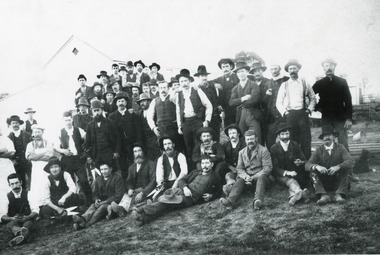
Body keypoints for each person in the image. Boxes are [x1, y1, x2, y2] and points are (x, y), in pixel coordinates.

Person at [132, 155, 222, 226]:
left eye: (207, 163)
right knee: (168, 205)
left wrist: (211, 196)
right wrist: (185, 187)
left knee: (167, 200)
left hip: (190, 198)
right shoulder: (195, 172)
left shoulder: (215, 177)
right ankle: (143, 219)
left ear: (212, 164)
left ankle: (142, 210)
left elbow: (219, 191)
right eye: (203, 163)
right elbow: (182, 180)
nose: (204, 166)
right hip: (182, 191)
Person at [220, 130, 272, 210]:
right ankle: (230, 202)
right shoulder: (241, 152)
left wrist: (254, 177)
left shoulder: (263, 151)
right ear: (245, 140)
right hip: (247, 179)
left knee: (262, 178)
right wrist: (246, 177)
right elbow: (239, 169)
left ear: (256, 139)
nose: (250, 141)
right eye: (248, 139)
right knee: (240, 180)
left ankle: (257, 201)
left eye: (252, 139)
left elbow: (267, 168)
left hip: (261, 178)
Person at [276, 59, 316, 159]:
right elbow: (278, 102)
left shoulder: (304, 82)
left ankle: (307, 164)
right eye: (290, 69)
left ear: (298, 69)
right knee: (292, 140)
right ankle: (294, 163)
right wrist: (285, 113)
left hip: (303, 113)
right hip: (290, 115)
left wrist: (309, 109)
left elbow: (313, 97)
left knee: (306, 140)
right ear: (288, 71)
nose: (292, 70)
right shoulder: (284, 85)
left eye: (294, 68)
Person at [305, 125, 354, 205]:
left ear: (334, 137)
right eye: (324, 136)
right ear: (322, 139)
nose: (326, 138)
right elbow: (307, 164)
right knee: (312, 171)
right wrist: (317, 166)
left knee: (348, 169)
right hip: (324, 181)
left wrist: (338, 167)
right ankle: (323, 195)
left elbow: (351, 161)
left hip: (338, 180)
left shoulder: (340, 147)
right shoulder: (318, 150)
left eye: (329, 135)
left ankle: (339, 195)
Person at [313, 59, 353, 152]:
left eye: (331, 66)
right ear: (323, 68)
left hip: (340, 116)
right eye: (326, 66)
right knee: (327, 139)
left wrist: (348, 118)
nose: (328, 68)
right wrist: (316, 107)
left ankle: (345, 160)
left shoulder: (342, 81)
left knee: (342, 139)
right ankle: (329, 158)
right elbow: (310, 95)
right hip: (326, 116)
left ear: (334, 67)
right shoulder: (320, 83)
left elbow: (348, 100)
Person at [108, 144, 156, 218]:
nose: (137, 154)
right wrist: (129, 188)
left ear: (143, 152)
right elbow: (128, 181)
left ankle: (127, 210)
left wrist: (143, 192)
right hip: (135, 191)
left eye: (139, 151)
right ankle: (121, 209)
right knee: (126, 196)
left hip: (146, 191)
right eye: (135, 152)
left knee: (138, 200)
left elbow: (153, 181)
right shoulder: (132, 167)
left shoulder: (150, 164)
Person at [72, 162, 124, 230]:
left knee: (102, 207)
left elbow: (119, 195)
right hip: (101, 202)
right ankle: (83, 218)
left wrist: (105, 201)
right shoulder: (98, 179)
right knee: (93, 206)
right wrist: (96, 199)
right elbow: (95, 193)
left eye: (105, 169)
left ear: (110, 169)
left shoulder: (117, 178)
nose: (103, 171)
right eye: (101, 169)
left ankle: (87, 224)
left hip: (113, 202)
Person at [54, 111, 92, 204]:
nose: (68, 122)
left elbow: (87, 140)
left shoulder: (79, 130)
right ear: (63, 121)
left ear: (72, 120)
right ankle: (73, 203)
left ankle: (89, 202)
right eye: (66, 120)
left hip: (78, 159)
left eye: (69, 120)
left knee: (83, 181)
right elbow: (55, 147)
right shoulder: (60, 132)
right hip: (67, 161)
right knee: (70, 182)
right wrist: (64, 151)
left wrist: (83, 151)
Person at [176, 69, 213, 159]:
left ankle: (201, 166)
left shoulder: (197, 90)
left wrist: (207, 120)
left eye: (185, 81)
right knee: (189, 147)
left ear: (189, 81)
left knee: (199, 145)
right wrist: (179, 125)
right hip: (186, 123)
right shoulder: (179, 94)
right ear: (179, 83)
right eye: (181, 81)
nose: (184, 83)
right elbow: (178, 110)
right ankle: (192, 169)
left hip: (197, 121)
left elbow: (208, 105)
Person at [270, 123, 310, 206]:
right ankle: (301, 193)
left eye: (287, 134)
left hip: (295, 173)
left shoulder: (295, 145)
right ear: (278, 135)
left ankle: (295, 195)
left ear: (290, 134)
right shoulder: (274, 148)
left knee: (300, 178)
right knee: (291, 181)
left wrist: (300, 162)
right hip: (281, 175)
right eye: (282, 134)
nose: (285, 137)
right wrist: (287, 173)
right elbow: (275, 168)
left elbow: (304, 160)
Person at [108, 92, 142, 178]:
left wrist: (138, 144)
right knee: (123, 168)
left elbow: (138, 131)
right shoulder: (111, 117)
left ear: (126, 103)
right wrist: (115, 149)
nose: (121, 103)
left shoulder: (132, 115)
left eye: (123, 101)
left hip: (132, 145)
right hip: (120, 147)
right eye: (119, 101)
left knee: (135, 165)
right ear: (116, 103)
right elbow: (110, 134)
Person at [1, 174, 38, 247]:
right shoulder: (6, 197)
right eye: (12, 184)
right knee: (12, 225)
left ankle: (21, 236)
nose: (15, 186)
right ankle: (21, 234)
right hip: (13, 220)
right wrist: (12, 218)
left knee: (28, 224)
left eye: (17, 183)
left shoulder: (29, 194)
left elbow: (36, 210)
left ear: (21, 182)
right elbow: (2, 216)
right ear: (9, 185)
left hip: (27, 218)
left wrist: (27, 217)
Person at [229, 62, 262, 143]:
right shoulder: (235, 88)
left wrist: (239, 103)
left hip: (253, 114)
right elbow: (231, 102)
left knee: (256, 137)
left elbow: (255, 100)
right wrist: (243, 98)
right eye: (239, 72)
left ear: (247, 72)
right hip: (241, 115)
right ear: (236, 74)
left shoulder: (253, 85)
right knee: (242, 139)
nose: (241, 74)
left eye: (242, 71)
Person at [84, 100, 121, 170]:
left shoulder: (109, 122)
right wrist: (88, 156)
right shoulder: (90, 125)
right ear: (92, 112)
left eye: (98, 110)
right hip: (96, 155)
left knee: (112, 172)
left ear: (101, 110)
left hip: (109, 153)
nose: (96, 113)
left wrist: (116, 151)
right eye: (94, 111)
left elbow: (117, 138)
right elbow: (87, 143)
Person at [25, 125, 56, 208]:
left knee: (47, 184)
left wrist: (35, 156)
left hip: (46, 168)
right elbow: (29, 157)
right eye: (35, 132)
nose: (37, 134)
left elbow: (49, 157)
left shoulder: (48, 142)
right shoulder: (30, 145)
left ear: (42, 132)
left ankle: (50, 205)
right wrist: (43, 153)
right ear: (33, 133)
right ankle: (38, 206)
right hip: (36, 170)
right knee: (37, 187)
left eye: (39, 132)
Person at [147, 82, 180, 149]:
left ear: (168, 89)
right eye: (161, 88)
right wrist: (153, 128)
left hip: (172, 128)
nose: (163, 90)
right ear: (158, 89)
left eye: (164, 87)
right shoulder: (154, 101)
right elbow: (149, 116)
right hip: (160, 129)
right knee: (162, 148)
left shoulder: (173, 98)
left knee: (175, 147)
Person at [195, 65, 223, 142]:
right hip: (205, 118)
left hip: (215, 117)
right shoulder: (197, 89)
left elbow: (217, 100)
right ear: (198, 77)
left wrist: (218, 106)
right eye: (202, 76)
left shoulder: (213, 87)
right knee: (206, 139)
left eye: (205, 76)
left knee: (216, 138)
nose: (204, 78)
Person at [248, 62, 274, 145]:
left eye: (259, 71)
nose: (257, 73)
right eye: (254, 72)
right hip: (255, 115)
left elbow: (270, 99)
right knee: (258, 138)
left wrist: (266, 96)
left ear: (262, 71)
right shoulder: (250, 84)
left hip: (267, 115)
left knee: (269, 139)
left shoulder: (269, 82)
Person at [265, 64, 289, 149]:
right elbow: (264, 101)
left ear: (279, 69)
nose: (274, 71)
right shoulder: (268, 83)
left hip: (284, 114)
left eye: (275, 69)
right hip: (272, 115)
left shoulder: (287, 80)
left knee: (287, 136)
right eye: (272, 69)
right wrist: (267, 95)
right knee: (270, 139)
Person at [7, 115, 33, 189]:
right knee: (20, 181)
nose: (15, 125)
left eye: (16, 123)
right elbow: (8, 151)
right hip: (17, 162)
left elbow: (32, 146)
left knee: (32, 178)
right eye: (13, 123)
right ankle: (23, 196)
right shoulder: (9, 137)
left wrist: (30, 158)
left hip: (28, 161)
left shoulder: (27, 135)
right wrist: (13, 160)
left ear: (19, 124)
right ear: (11, 125)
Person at [212, 58, 240, 126]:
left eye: (227, 66)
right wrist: (215, 84)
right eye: (223, 67)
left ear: (231, 67)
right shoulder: (220, 79)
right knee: (229, 128)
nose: (225, 69)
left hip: (238, 108)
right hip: (227, 109)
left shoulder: (237, 76)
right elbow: (209, 82)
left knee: (240, 128)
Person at [136, 93, 161, 161]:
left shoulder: (155, 111)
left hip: (154, 138)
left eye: (144, 101)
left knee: (158, 157)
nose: (142, 103)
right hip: (145, 140)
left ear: (149, 101)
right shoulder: (139, 113)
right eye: (141, 102)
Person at [220, 124, 246, 188]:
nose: (232, 135)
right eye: (230, 133)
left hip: (243, 168)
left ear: (238, 134)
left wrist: (239, 168)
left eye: (234, 133)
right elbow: (223, 159)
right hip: (230, 168)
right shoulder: (225, 145)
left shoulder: (244, 145)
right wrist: (230, 167)